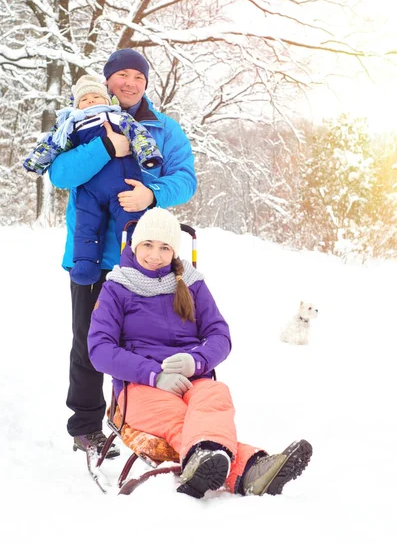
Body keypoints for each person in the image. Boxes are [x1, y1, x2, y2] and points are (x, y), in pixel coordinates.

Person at [87, 208, 313, 499]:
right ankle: (251, 467)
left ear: (174, 251)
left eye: (165, 247)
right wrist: (153, 375)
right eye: (147, 245)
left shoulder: (191, 284)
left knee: (215, 398)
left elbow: (220, 334)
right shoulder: (117, 289)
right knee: (183, 420)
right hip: (141, 386)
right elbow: (100, 350)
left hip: (194, 379)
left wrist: (197, 361)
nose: (155, 255)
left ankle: (209, 462)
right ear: (134, 245)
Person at [46, 49, 197, 458]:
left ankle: (142, 419)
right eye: (121, 75)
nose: (129, 83)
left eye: (138, 77)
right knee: (90, 342)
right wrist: (107, 148)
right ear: (106, 81)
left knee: (145, 343)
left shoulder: (164, 129)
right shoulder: (79, 124)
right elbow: (60, 174)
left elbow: (185, 178)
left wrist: (153, 192)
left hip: (147, 259)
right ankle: (85, 426)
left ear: (146, 84)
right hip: (91, 257)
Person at [23, 74, 163, 286]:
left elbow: (139, 135)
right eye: (84, 99)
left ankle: (136, 263)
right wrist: (36, 162)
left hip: (124, 187)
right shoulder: (72, 124)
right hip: (90, 191)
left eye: (95, 97)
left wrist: (148, 156)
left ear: (107, 100)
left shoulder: (119, 117)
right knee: (87, 226)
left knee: (131, 222)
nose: (90, 102)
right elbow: (52, 144)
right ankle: (85, 263)